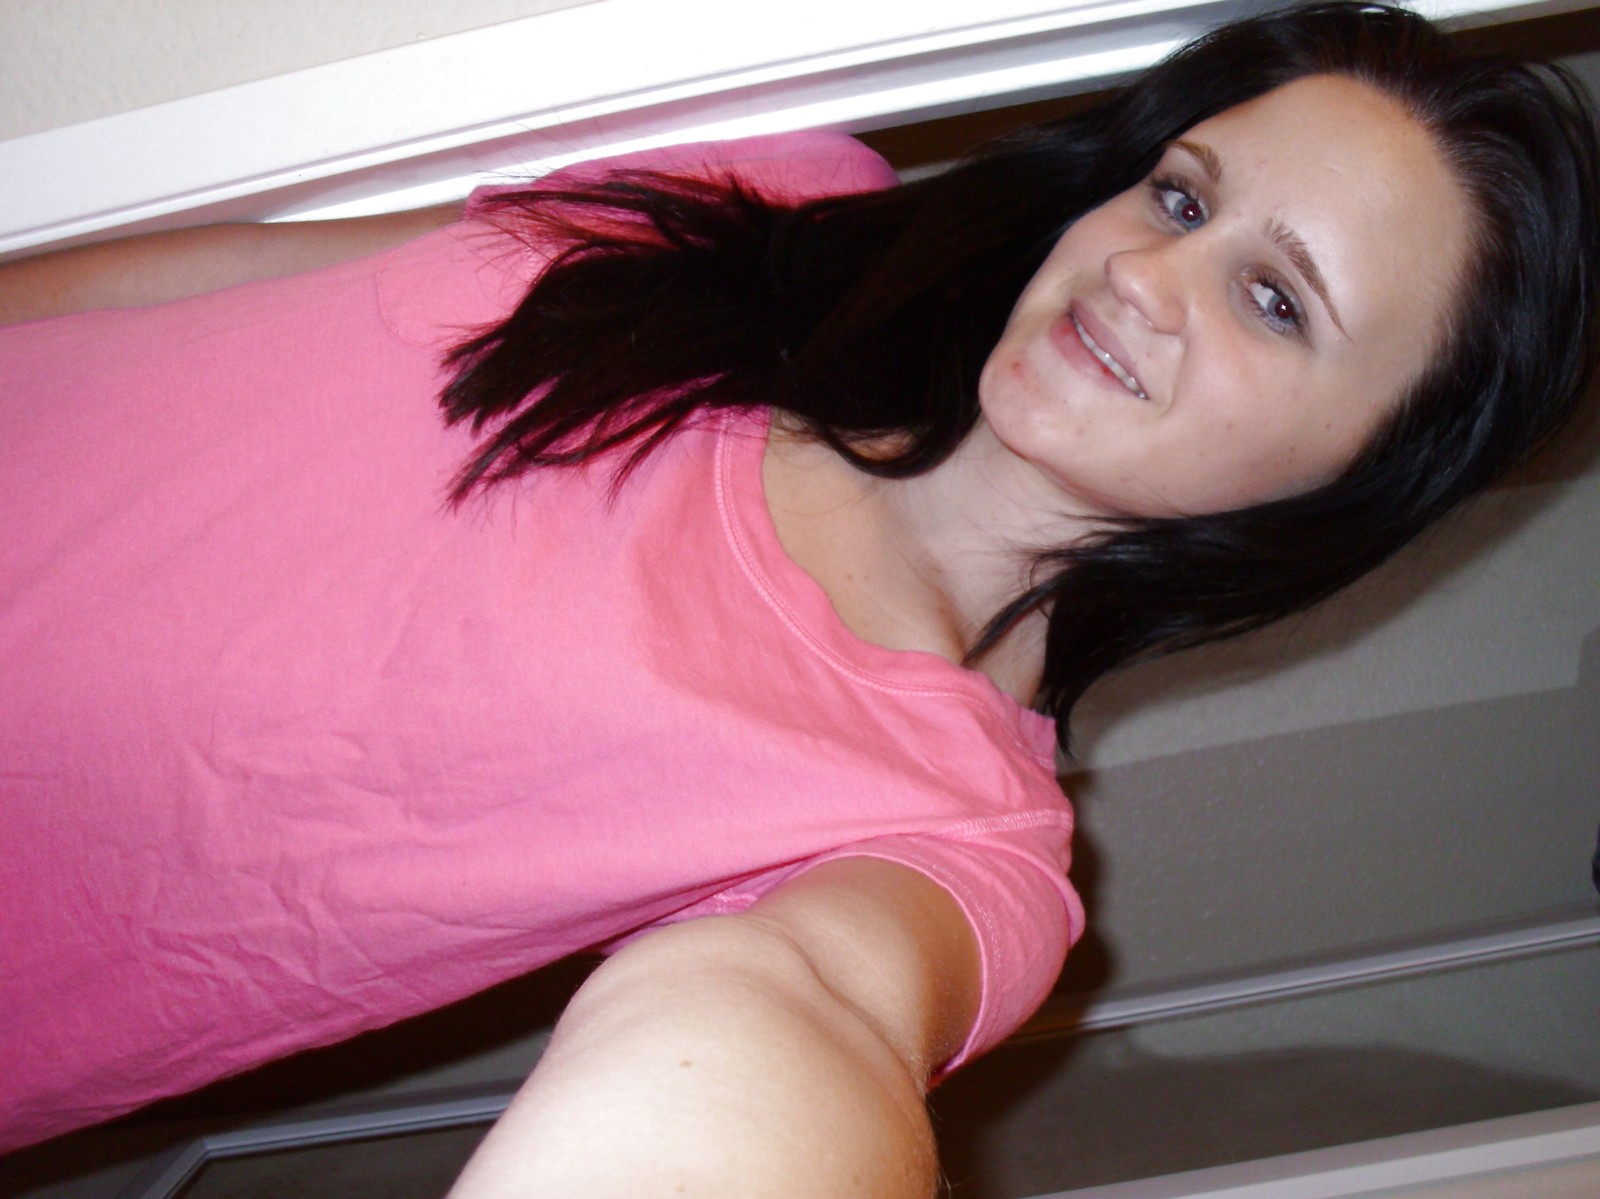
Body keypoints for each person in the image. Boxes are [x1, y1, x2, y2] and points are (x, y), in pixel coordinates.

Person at [1, 2, 1596, 1193]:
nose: (1147, 276)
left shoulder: (949, 836)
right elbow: (248, 274)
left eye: (1274, 299)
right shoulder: (780, 193)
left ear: (1355, 474)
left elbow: (797, 1013)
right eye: (1181, 198)